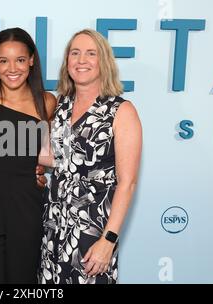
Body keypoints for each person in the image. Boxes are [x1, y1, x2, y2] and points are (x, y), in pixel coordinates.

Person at [37, 29, 142, 284]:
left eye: (90, 53)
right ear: (67, 62)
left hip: (93, 233)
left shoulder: (121, 110)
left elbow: (126, 183)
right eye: (75, 53)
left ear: (103, 61)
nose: (81, 60)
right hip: (54, 228)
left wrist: (108, 240)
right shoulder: (60, 105)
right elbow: (58, 158)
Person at [0, 27, 57, 283]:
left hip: (27, 209)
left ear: (31, 60)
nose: (12, 68)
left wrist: (44, 174)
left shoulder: (47, 102)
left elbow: (50, 156)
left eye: (19, 59)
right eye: (3, 60)